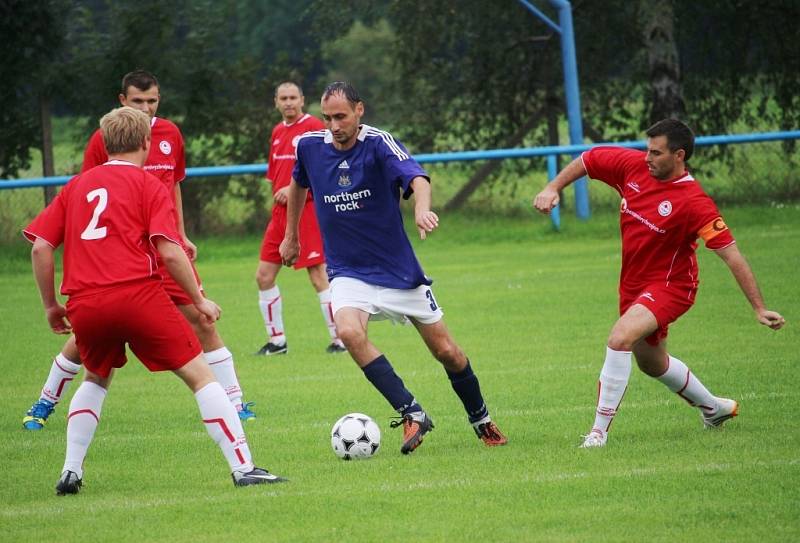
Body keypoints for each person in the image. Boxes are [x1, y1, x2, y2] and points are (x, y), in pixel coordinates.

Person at [24, 107, 284, 494]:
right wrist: (199, 300)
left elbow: (41, 248)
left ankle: (71, 471)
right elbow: (170, 249)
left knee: (95, 378)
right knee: (200, 376)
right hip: (137, 294)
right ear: (146, 142)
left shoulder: (77, 186)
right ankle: (243, 467)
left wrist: (49, 306)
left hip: (86, 302)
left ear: (104, 143)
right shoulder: (149, 186)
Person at [280, 82, 507, 454]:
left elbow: (416, 177)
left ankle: (481, 419)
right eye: (327, 117)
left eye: (341, 116)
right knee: (349, 333)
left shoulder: (379, 143)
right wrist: (292, 236)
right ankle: (412, 412)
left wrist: (421, 208)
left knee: (447, 351)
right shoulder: (309, 146)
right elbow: (297, 185)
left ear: (359, 110)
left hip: (398, 271)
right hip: (348, 270)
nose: (334, 125)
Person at [22, 70, 256, 430]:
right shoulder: (108, 137)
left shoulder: (170, 134)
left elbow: (174, 185)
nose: (146, 109)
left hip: (166, 247)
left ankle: (236, 402)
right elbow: (88, 195)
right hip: (124, 254)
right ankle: (45, 401)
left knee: (203, 319)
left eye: (152, 101)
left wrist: (181, 233)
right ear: (122, 101)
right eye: (138, 102)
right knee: (86, 336)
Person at [533, 118, 786, 448]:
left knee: (619, 338)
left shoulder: (695, 202)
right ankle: (714, 408)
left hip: (672, 286)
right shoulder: (634, 168)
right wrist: (553, 187)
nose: (647, 157)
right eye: (647, 150)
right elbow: (590, 158)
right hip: (633, 285)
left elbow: (732, 255)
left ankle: (598, 433)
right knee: (652, 363)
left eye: (656, 152)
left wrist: (758, 307)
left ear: (678, 155)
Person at [255, 81, 345, 356]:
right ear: (276, 102)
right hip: (279, 216)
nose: (288, 102)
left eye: (293, 97)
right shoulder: (278, 131)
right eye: (283, 98)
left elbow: (328, 171)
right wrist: (279, 191)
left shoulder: (315, 127)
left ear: (302, 100)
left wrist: (293, 190)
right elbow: (274, 174)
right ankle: (277, 341)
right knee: (264, 276)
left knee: (318, 275)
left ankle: (340, 339)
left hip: (306, 211)